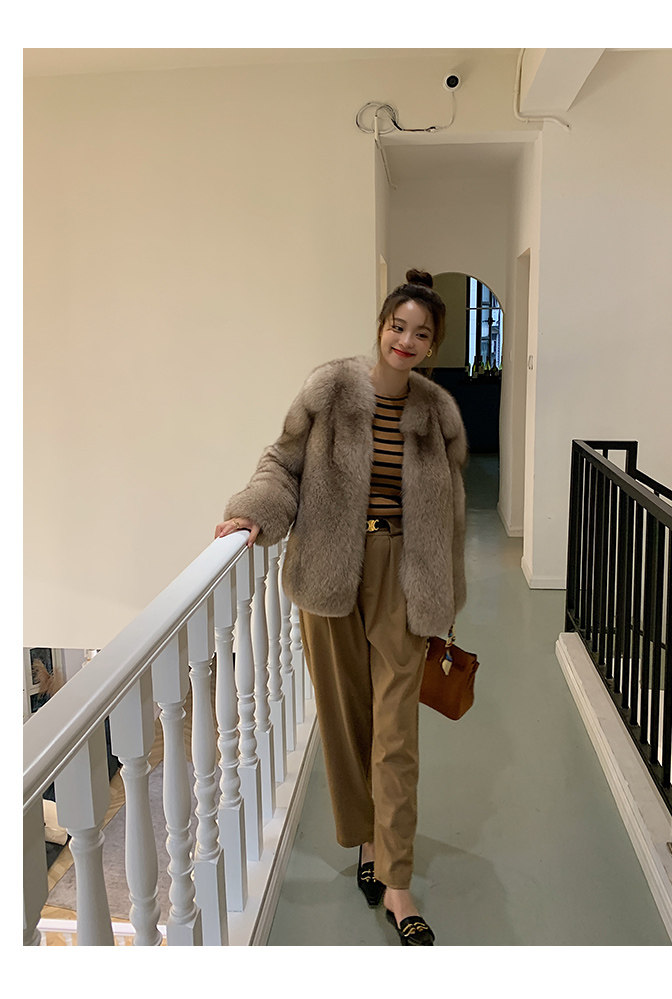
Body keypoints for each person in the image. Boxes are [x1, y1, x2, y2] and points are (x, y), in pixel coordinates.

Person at [214, 269, 467, 945]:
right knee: (345, 716)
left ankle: (398, 880)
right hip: (330, 568)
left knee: (396, 731)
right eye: (397, 326)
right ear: (381, 327)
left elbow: (453, 509)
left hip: (403, 574)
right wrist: (254, 511)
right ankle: (367, 841)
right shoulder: (329, 389)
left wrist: (445, 592)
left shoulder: (437, 413)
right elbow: (282, 462)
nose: (406, 341)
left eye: (421, 333)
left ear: (433, 344)